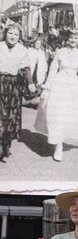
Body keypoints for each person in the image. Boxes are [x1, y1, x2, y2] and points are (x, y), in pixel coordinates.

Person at [34, 29, 78, 162]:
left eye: (76, 39)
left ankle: (59, 140)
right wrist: (47, 87)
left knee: (68, 115)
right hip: (59, 85)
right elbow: (53, 70)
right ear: (67, 39)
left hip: (73, 87)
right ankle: (58, 146)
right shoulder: (60, 52)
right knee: (57, 114)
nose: (73, 41)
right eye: (71, 38)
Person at [0, 22, 35, 162]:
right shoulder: (0, 46)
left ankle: (6, 145)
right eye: (10, 33)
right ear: (5, 33)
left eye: (16, 34)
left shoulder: (22, 50)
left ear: (19, 36)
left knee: (10, 116)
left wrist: (31, 83)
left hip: (14, 86)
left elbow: (25, 69)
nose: (12, 36)